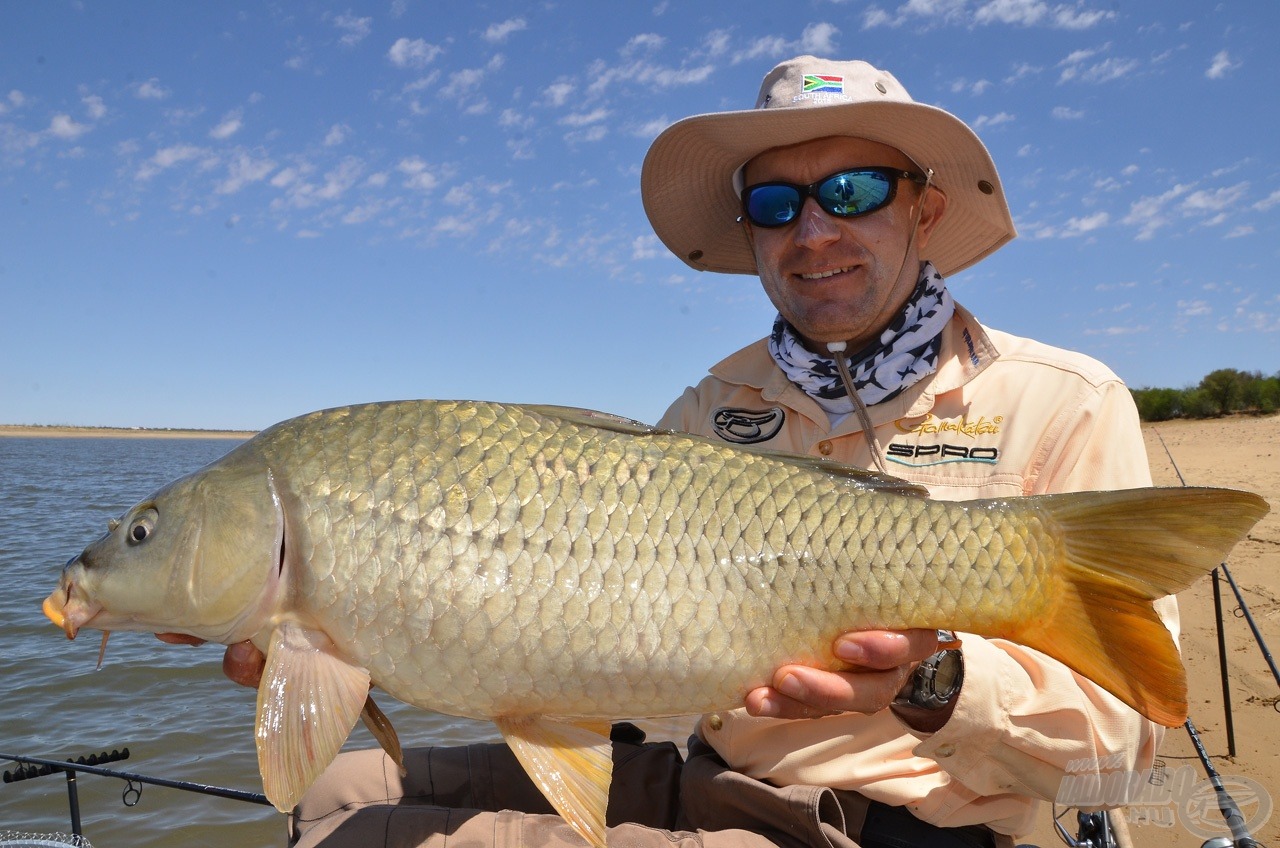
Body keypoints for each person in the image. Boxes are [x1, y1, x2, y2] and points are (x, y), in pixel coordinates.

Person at [178, 56, 1175, 848]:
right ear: (749, 233)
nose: (813, 227)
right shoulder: (708, 403)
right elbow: (602, 630)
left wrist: (929, 680)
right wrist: (389, 625)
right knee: (339, 783)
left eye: (853, 187)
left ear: (923, 207)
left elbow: (1120, 764)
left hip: (883, 822)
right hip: (703, 763)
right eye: (776, 204)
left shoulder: (1062, 400)